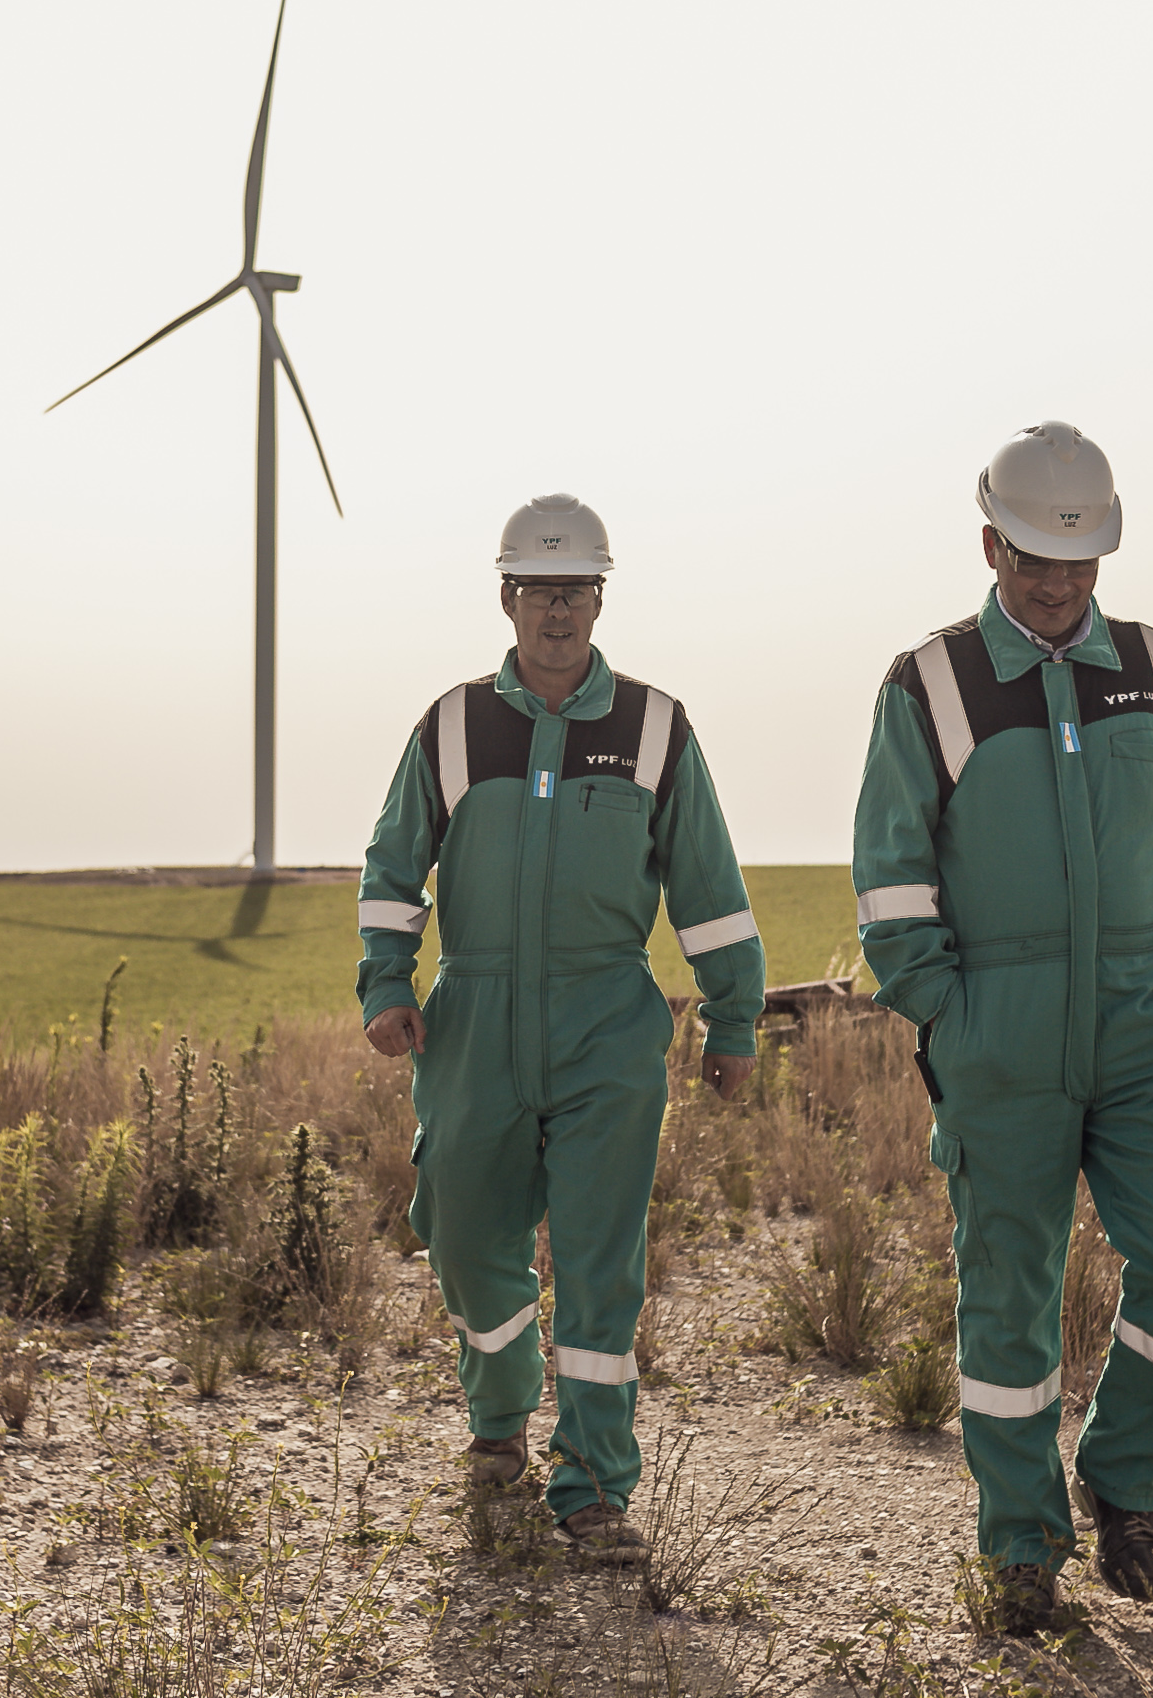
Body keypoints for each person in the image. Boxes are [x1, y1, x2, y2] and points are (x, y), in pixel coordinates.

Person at [850, 423, 1153, 1629]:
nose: (1056, 584)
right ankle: (1022, 1544)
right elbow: (890, 873)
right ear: (991, 543)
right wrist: (944, 1011)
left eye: (1076, 563)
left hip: (1146, 1019)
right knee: (1008, 1296)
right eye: (1032, 559)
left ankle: (1125, 1481)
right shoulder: (929, 684)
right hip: (1000, 1029)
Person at [357, 493, 767, 1561]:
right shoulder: (452, 725)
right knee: (459, 1227)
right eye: (539, 590)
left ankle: (591, 1485)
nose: (558, 610)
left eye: (576, 589)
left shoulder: (653, 727)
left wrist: (732, 1014)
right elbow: (395, 864)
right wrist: (384, 982)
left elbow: (708, 885)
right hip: (473, 1017)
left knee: (599, 1259)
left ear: (600, 595)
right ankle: (500, 1402)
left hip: (606, 1021)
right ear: (507, 597)